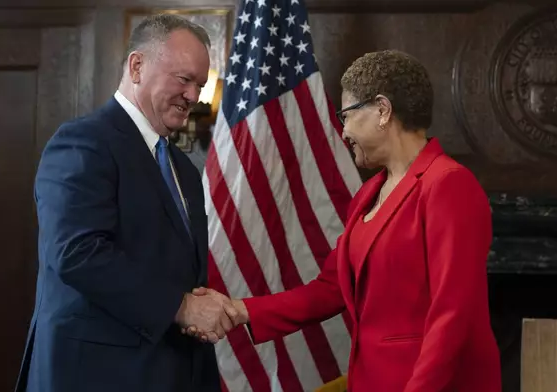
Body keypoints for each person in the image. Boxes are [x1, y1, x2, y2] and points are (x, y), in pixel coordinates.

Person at [187, 50, 502, 391]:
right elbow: (330, 289)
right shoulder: (368, 194)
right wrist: (240, 310)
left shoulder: (448, 184)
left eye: (347, 116)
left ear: (382, 110)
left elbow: (452, 315)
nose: (343, 131)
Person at [15, 15, 237, 392]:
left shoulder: (181, 166)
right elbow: (76, 253)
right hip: (96, 375)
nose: (194, 96)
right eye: (184, 79)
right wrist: (180, 307)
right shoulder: (83, 143)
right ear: (137, 66)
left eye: (200, 84)